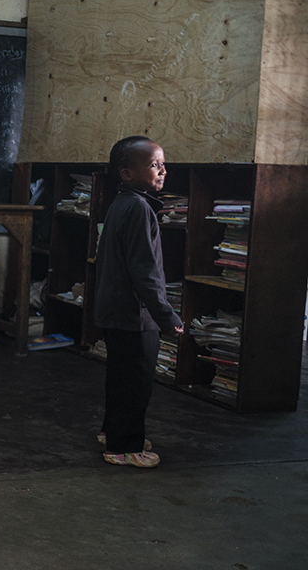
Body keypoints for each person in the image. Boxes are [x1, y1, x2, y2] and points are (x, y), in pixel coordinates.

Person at [93, 136, 183, 468]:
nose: (163, 171)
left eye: (162, 164)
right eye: (155, 165)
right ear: (128, 174)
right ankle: (124, 448)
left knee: (121, 379)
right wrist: (166, 315)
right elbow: (145, 272)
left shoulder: (121, 203)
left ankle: (114, 432)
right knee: (137, 383)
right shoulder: (139, 209)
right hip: (135, 315)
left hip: (116, 311)